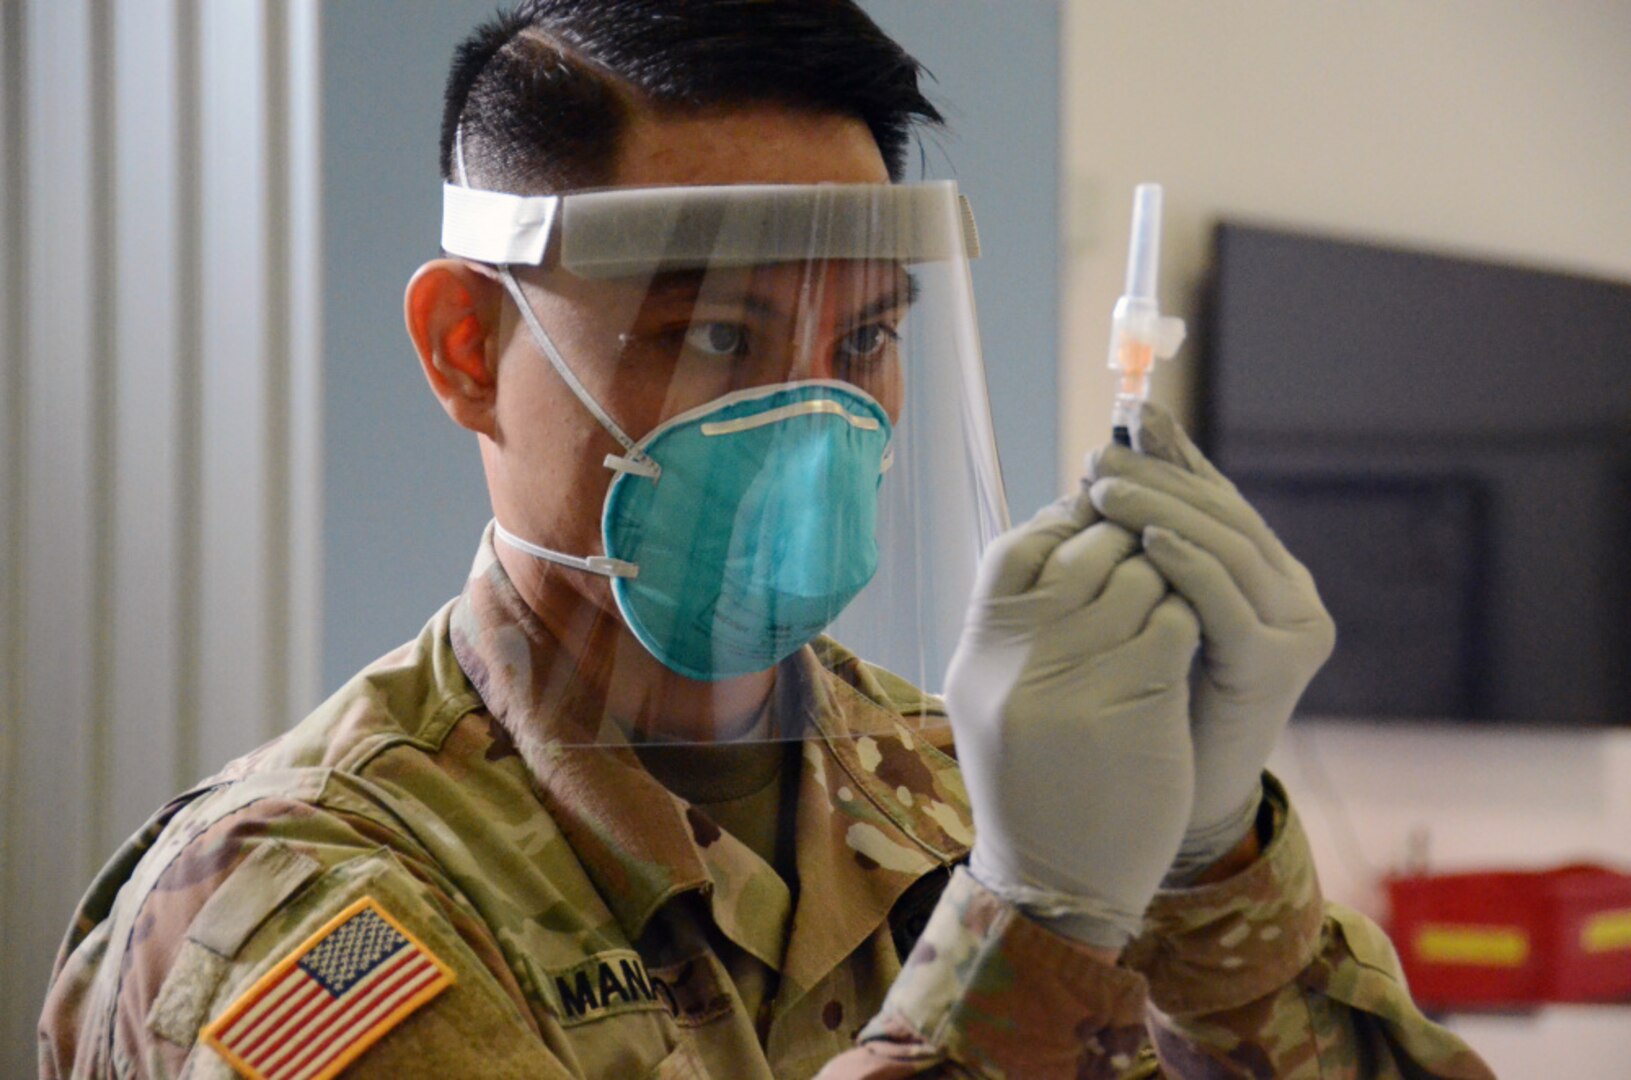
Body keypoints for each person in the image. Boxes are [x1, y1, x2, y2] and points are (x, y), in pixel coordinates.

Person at [39, 3, 1494, 1078]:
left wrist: (1208, 855)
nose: (815, 418)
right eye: (718, 335)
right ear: (469, 347)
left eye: (864, 338)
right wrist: (1033, 923)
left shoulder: (964, 782)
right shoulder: (289, 903)